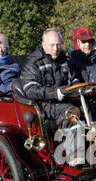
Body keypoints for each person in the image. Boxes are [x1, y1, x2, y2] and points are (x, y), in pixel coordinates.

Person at [21, 28, 83, 166]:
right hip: (43, 105)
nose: (55, 48)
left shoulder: (65, 60)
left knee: (89, 105)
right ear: (43, 44)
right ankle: (72, 155)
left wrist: (78, 86)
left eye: (58, 45)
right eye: (52, 45)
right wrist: (55, 93)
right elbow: (29, 89)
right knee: (70, 111)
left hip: (63, 100)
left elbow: (73, 79)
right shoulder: (34, 62)